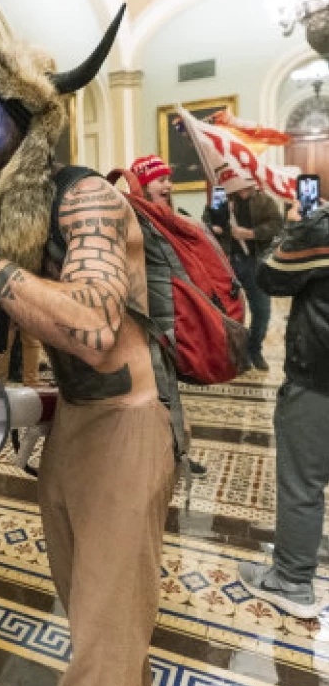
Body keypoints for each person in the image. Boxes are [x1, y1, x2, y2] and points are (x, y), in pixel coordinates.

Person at [0, 7, 177, 686]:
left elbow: (92, 325)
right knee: (97, 619)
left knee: (101, 659)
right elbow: (33, 303)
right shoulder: (30, 211)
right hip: (75, 425)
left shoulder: (87, 197)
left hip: (129, 427)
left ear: (26, 119)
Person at [238, 201, 329, 619]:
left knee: (301, 482)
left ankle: (291, 580)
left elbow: (270, 273)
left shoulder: (323, 230)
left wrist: (295, 227)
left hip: (319, 380)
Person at [130, 154, 209, 479]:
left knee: (169, 393)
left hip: (168, 321)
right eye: (161, 180)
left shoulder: (164, 218)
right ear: (144, 184)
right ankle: (167, 457)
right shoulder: (134, 218)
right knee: (159, 396)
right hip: (146, 325)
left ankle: (175, 453)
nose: (169, 185)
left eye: (168, 178)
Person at [205, 182, 283, 371]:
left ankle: (254, 350)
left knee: (262, 311)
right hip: (228, 263)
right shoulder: (221, 196)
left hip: (255, 263)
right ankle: (236, 354)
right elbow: (207, 222)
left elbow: (277, 226)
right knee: (228, 312)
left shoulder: (265, 201)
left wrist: (251, 233)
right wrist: (219, 222)